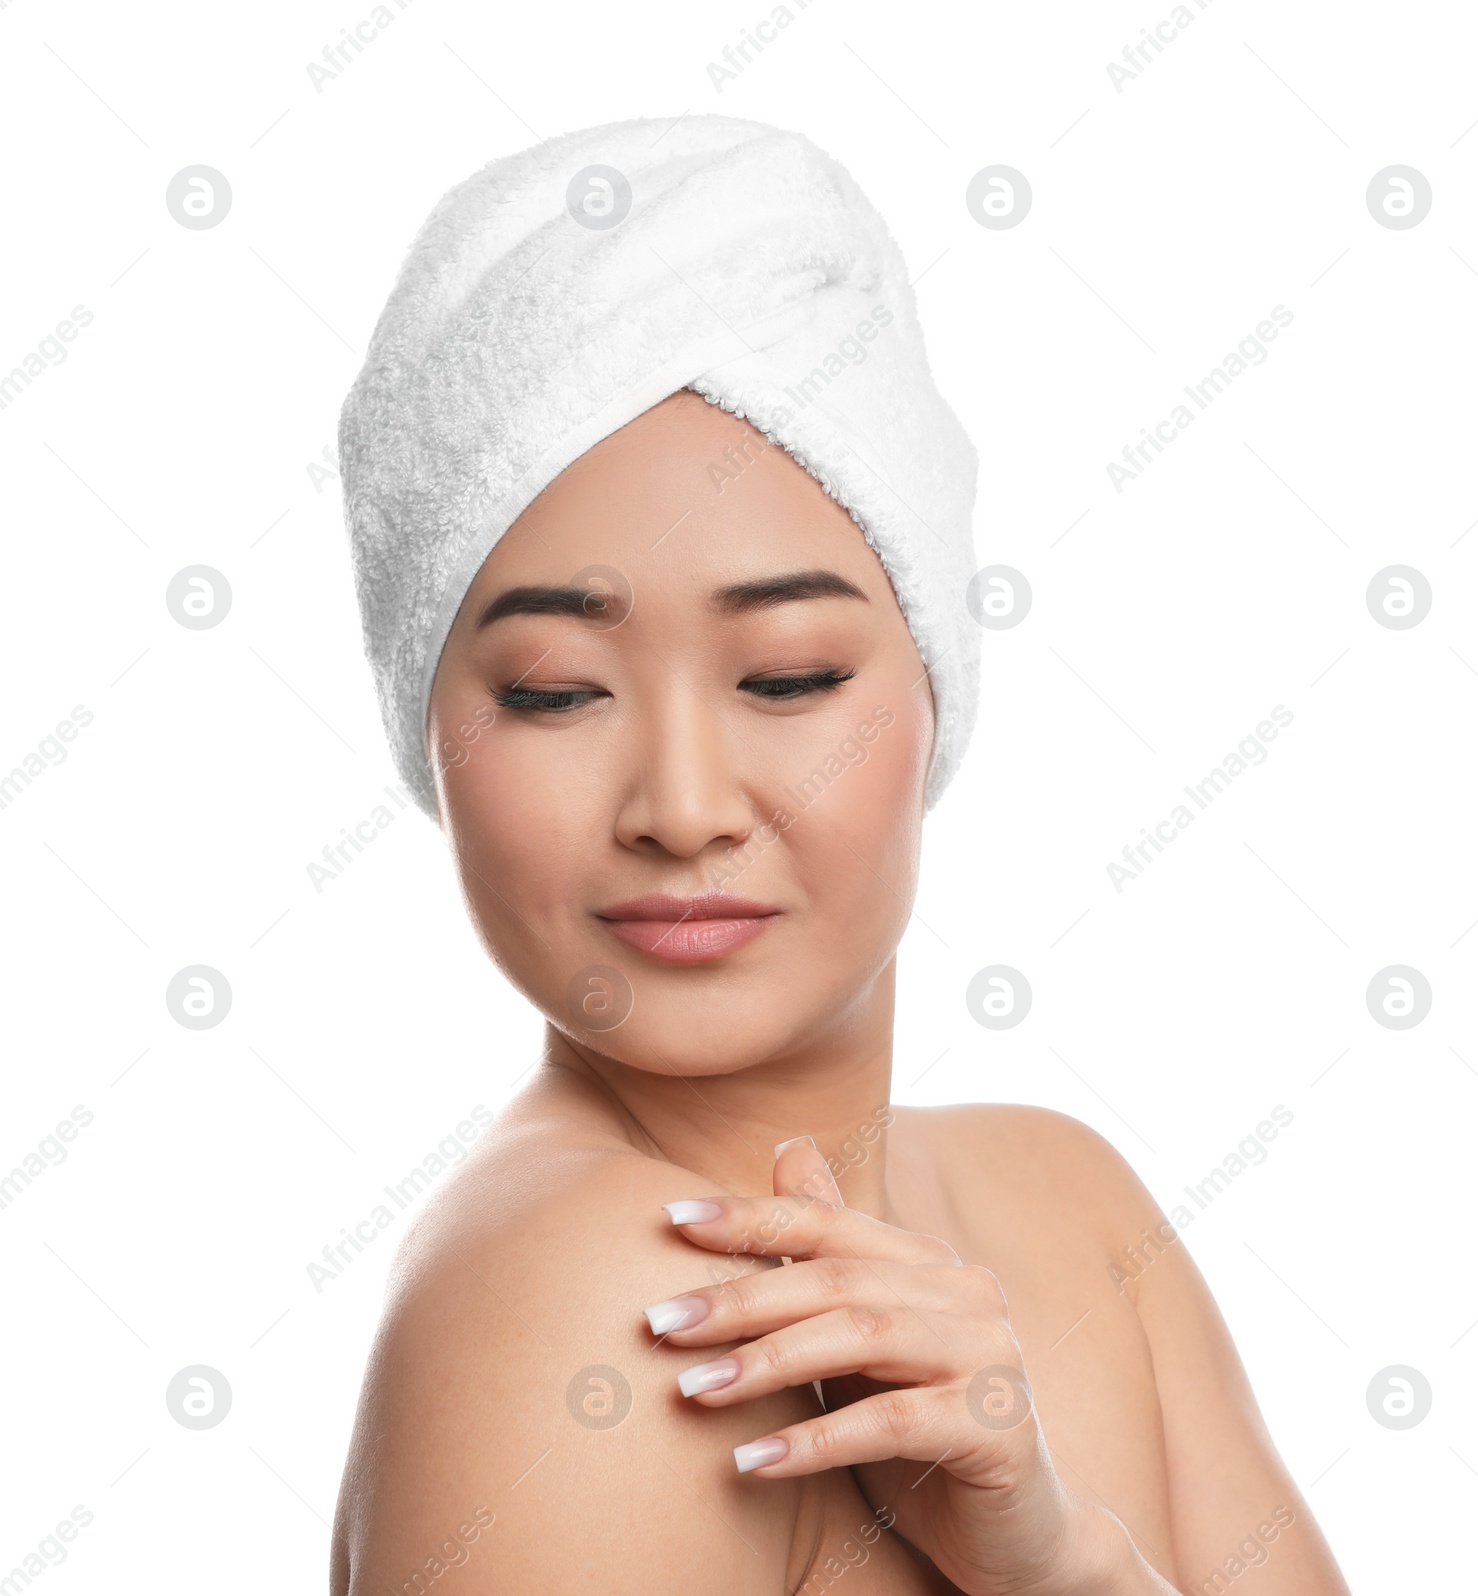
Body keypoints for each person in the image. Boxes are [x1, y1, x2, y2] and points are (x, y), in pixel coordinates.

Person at [330, 113, 1350, 1594]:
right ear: (428, 732)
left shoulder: (1073, 1202)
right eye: (553, 691)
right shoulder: (590, 1311)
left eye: (791, 676)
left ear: (937, 693)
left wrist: (1060, 1567)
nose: (681, 807)